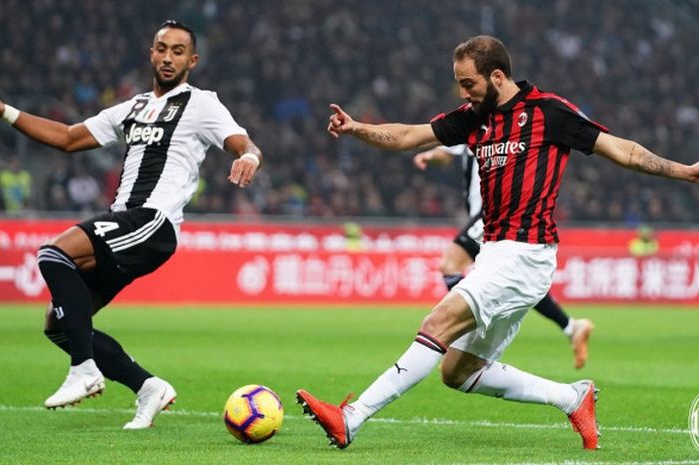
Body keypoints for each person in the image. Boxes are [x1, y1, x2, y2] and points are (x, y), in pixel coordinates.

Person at [297, 35, 699, 451]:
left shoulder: (549, 113)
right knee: (457, 371)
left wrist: (685, 172)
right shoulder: (474, 117)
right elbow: (408, 136)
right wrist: (356, 127)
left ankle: (352, 417)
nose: (462, 92)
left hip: (525, 255)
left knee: (437, 324)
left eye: (468, 83)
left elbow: (622, 150)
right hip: (496, 252)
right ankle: (572, 396)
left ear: (497, 76)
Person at [0, 20, 262, 429]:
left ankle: (84, 370)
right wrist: (4, 110)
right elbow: (68, 137)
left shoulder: (201, 104)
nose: (169, 57)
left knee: (53, 254)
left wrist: (248, 157)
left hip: (151, 222)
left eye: (178, 51)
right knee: (60, 323)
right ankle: (147, 387)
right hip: (123, 219)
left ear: (192, 60)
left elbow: (241, 141)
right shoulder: (134, 107)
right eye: (162, 48)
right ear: (151, 53)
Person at [414, 144, 593, 369]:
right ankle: (571, 327)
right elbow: (449, 153)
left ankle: (468, 327)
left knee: (450, 264)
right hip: (490, 216)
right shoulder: (472, 123)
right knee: (521, 282)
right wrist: (429, 155)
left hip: (493, 212)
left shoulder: (499, 125)